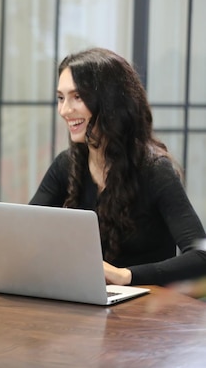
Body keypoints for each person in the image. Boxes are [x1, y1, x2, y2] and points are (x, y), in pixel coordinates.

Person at [30, 47, 206, 287]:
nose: (64, 110)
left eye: (77, 97)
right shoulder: (66, 164)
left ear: (109, 101)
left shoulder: (155, 170)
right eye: (61, 98)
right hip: (85, 302)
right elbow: (27, 234)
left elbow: (200, 256)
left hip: (145, 312)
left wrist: (127, 275)